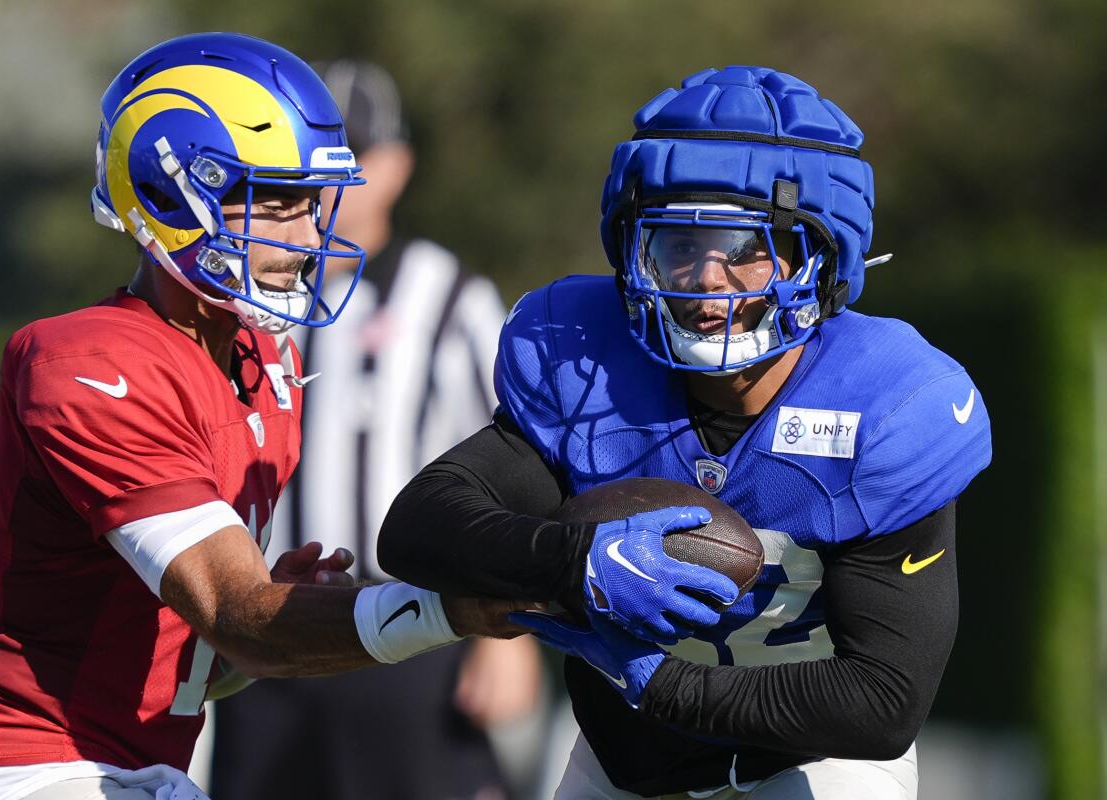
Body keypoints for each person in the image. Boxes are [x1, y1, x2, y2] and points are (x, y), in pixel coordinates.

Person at [0, 33, 525, 800]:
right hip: (22, 770)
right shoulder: (89, 363)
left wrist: (287, 615)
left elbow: (208, 651)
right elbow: (239, 619)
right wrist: (460, 608)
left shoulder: (264, 366)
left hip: (136, 765)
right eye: (275, 200)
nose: (307, 237)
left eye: (312, 203)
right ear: (172, 192)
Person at [378, 65, 992, 799]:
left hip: (816, 762)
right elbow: (418, 528)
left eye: (743, 248)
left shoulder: (887, 403)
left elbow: (882, 703)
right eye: (678, 244)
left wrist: (663, 685)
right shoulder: (590, 369)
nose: (707, 278)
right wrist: (575, 559)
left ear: (816, 253)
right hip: (627, 766)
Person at [209, 60, 541, 800]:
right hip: (263, 631)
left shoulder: (448, 295)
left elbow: (516, 463)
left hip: (411, 632)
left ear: (394, 166)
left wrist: (510, 630)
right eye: (297, 161)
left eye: (344, 156)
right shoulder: (229, 295)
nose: (319, 182)